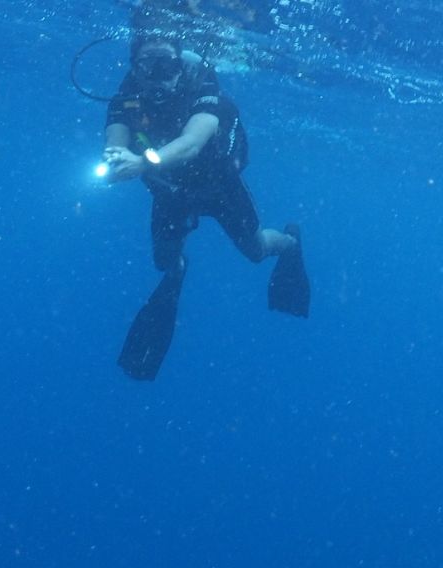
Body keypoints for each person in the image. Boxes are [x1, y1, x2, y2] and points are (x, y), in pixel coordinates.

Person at [98, 31, 309, 380]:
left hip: (220, 188)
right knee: (164, 261)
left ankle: (290, 243)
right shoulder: (124, 102)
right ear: (135, 69)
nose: (158, 74)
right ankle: (178, 272)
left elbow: (192, 143)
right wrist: (113, 161)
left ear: (181, 67)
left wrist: (142, 162)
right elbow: (115, 142)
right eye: (148, 65)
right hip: (169, 193)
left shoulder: (209, 96)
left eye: (167, 64)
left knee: (256, 250)